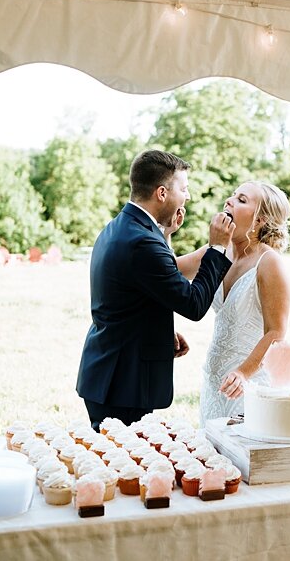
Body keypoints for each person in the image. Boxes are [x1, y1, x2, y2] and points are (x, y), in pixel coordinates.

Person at [75, 149, 235, 430]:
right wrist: (218, 246)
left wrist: (159, 332)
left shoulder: (124, 227)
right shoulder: (142, 242)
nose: (187, 196)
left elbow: (142, 288)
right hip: (123, 383)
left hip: (112, 373)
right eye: (183, 189)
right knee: (123, 467)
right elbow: (194, 305)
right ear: (162, 193)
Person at [172, 181, 290, 423]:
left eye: (242, 200)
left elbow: (276, 333)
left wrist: (243, 373)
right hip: (214, 380)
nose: (229, 201)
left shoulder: (269, 262)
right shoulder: (216, 251)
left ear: (260, 220)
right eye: (232, 195)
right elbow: (166, 271)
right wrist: (167, 232)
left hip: (248, 385)